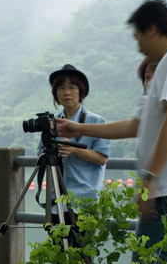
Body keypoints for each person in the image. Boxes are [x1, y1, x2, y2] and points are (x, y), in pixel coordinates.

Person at [56, 0, 167, 262]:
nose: (139, 46)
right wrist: (78, 128)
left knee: (152, 259)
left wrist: (150, 179)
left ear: (152, 29)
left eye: (138, 37)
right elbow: (137, 125)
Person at [36, 64, 110, 247]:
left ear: (81, 91)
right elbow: (40, 152)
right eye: (61, 88)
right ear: (55, 94)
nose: (66, 92)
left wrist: (74, 149)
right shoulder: (51, 123)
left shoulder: (96, 122)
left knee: (83, 255)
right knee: (58, 254)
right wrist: (46, 152)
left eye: (72, 87)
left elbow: (102, 157)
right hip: (56, 201)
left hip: (85, 202)